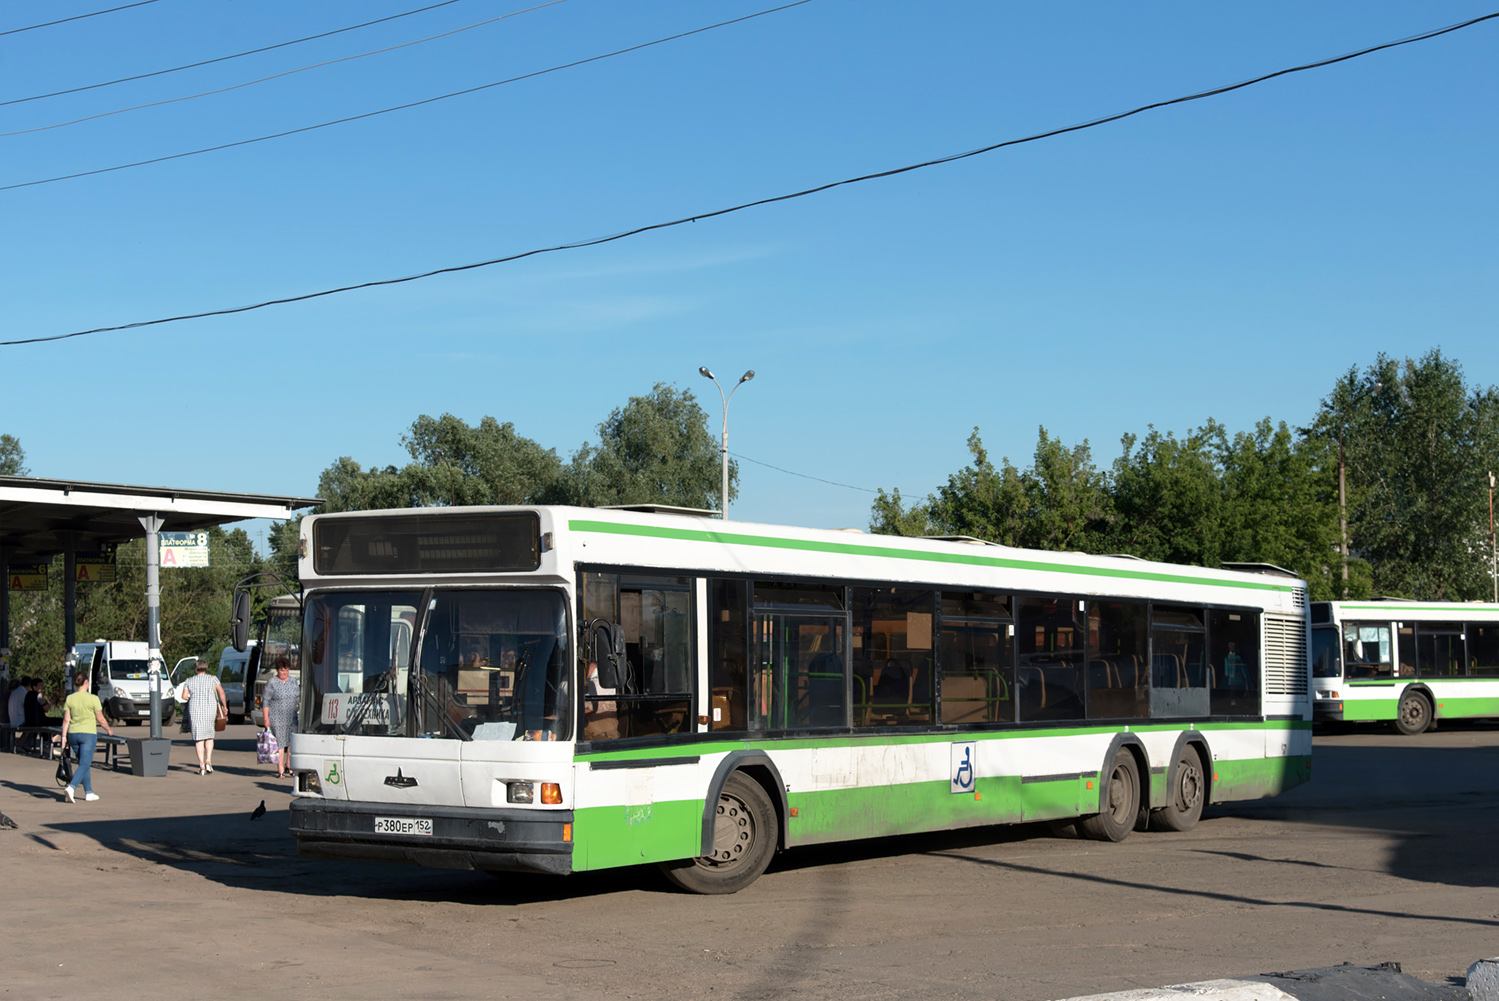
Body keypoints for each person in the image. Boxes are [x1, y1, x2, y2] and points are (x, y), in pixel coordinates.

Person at [60, 670, 113, 803]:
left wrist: (63, 737)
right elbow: (100, 719)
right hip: (88, 735)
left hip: (73, 734)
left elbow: (66, 720)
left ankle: (89, 792)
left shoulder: (70, 698)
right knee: (85, 764)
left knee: (83, 763)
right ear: (86, 682)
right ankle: (71, 788)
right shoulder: (93, 698)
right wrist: (108, 729)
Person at [181, 659, 227, 775]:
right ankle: (208, 761)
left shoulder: (189, 681)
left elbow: (184, 696)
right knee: (209, 736)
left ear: (196, 669)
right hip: (210, 709)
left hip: (195, 710)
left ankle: (201, 765)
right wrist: (224, 706)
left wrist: (192, 698)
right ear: (206, 668)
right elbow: (221, 692)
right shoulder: (213, 679)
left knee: (199, 738)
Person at [261, 656, 299, 779]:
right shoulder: (271, 683)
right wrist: (266, 719)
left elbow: (299, 697)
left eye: (287, 670)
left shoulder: (293, 681)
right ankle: (280, 768)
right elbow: (265, 702)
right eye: (283, 670)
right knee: (280, 743)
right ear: (278, 670)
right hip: (277, 717)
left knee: (291, 742)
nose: (285, 673)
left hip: (291, 716)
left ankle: (289, 764)